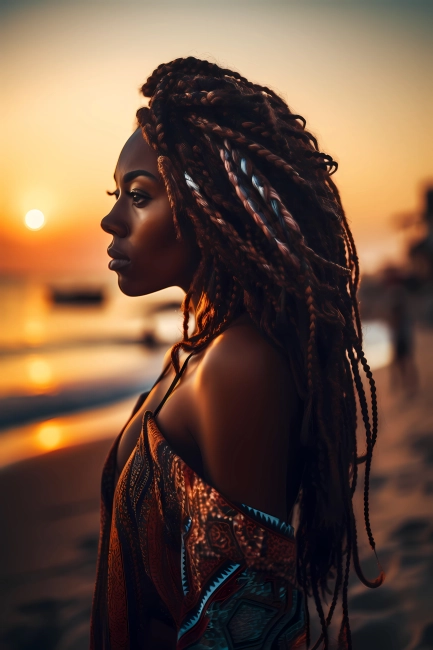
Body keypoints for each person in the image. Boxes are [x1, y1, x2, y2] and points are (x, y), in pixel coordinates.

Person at [90, 57, 384, 650]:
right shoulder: (198, 356)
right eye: (116, 194)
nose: (110, 219)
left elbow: (251, 626)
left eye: (139, 196)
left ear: (210, 206)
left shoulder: (239, 366)